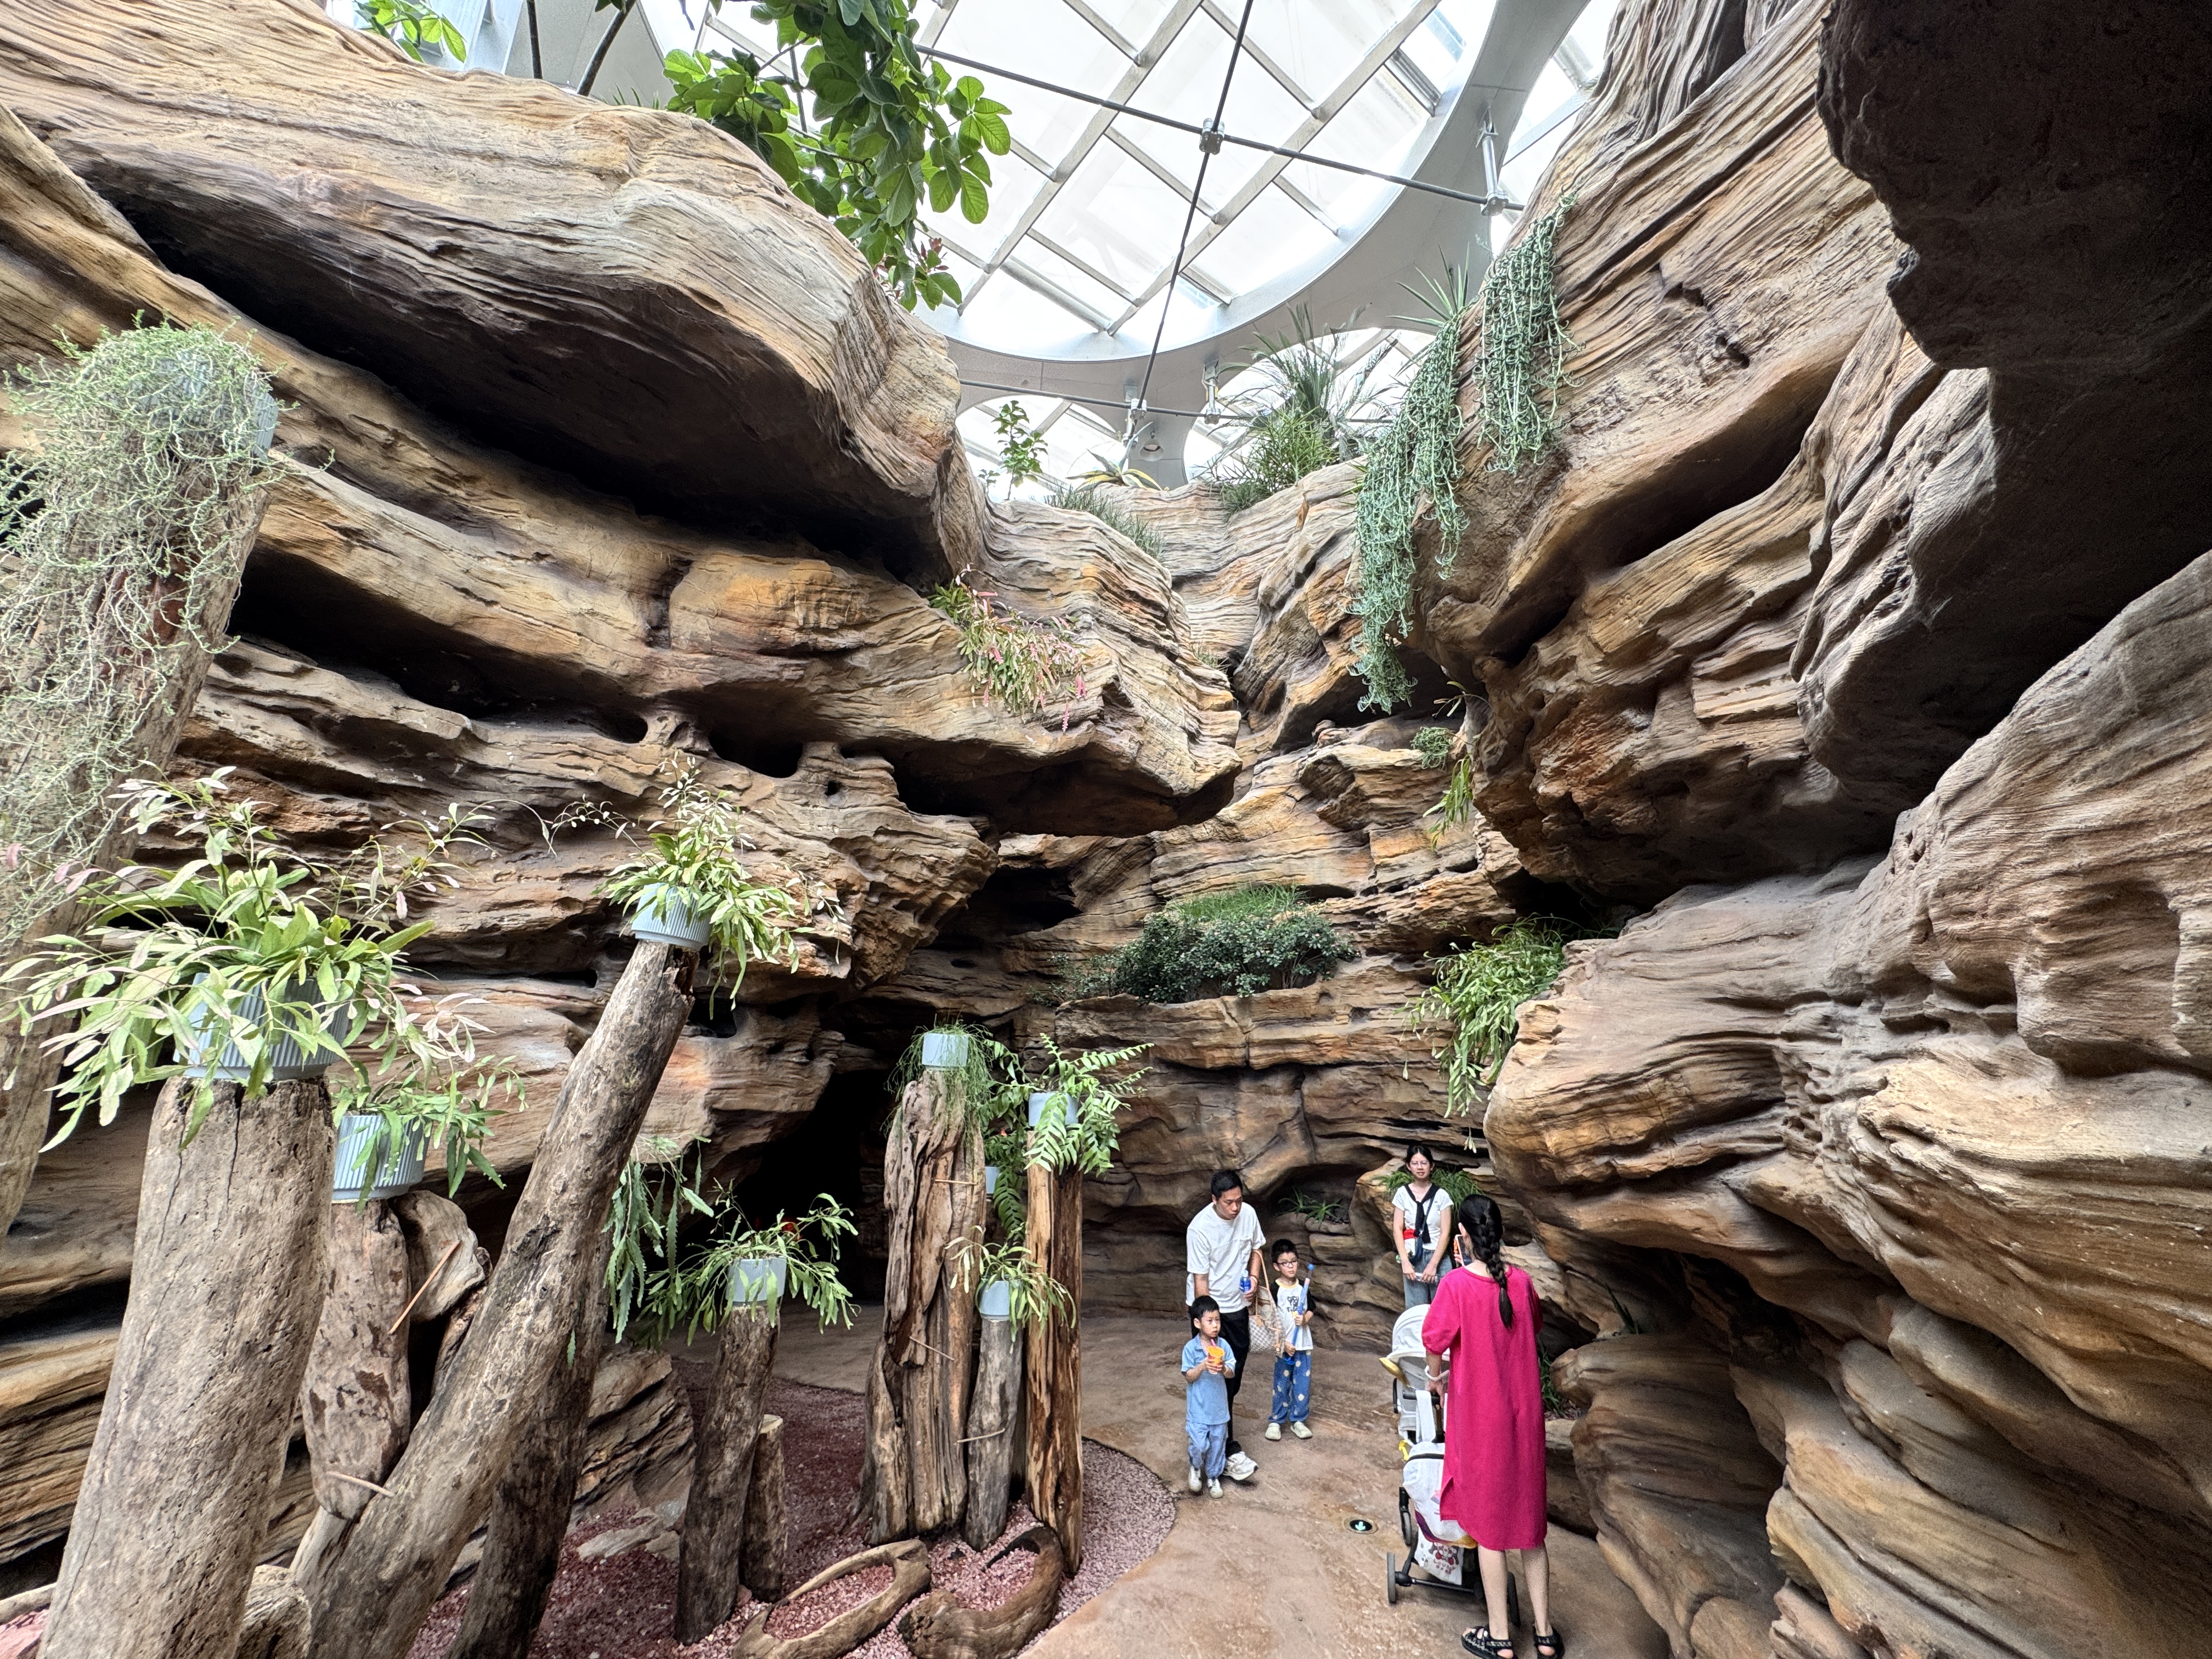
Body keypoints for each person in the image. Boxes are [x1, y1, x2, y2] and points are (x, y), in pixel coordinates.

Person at [1421, 1194, 1559, 1659]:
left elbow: (1435, 1342)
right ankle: (1545, 1636)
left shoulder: (1456, 1285)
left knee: (1490, 1530)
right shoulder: (1521, 1282)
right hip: (1525, 1420)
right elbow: (1529, 1327)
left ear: (1462, 1235)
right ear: (1499, 1234)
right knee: (1530, 1527)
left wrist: (1435, 1378)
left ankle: (1500, 1638)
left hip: (1482, 1423)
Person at [1186, 1168, 1266, 1481]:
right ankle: (1225, 1448)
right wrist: (1207, 1328)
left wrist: (1254, 1278)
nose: (1235, 1208)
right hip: (1211, 1309)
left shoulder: (1249, 1214)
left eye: (1239, 1200)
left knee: (1232, 1374)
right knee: (1211, 1378)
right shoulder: (1200, 1228)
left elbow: (1256, 1249)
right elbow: (1201, 1282)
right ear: (1214, 1200)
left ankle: (1219, 1436)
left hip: (1238, 1308)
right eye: (1228, 1203)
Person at [1181, 1295, 1235, 1498]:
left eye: (1218, 1320)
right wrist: (1203, 1365)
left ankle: (1213, 1476)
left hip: (1219, 1411)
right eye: (1210, 1321)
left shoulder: (1224, 1346)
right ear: (1198, 1323)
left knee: (1217, 1445)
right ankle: (1195, 1467)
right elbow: (1189, 1376)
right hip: (1198, 1410)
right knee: (1198, 1444)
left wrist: (1223, 1369)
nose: (1215, 1325)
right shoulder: (1191, 1348)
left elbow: (1232, 1372)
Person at [1262, 1239, 1314, 1441]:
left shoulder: (1303, 1287)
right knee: (1282, 1384)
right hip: (1284, 1346)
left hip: (1303, 1345)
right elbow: (1269, 1320)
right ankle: (1276, 1420)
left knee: (1302, 1385)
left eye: (1294, 1261)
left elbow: (1312, 1308)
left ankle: (1298, 1420)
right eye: (1285, 1263)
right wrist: (1283, 1343)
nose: (1291, 1266)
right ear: (1277, 1266)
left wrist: (1305, 1319)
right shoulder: (1274, 1290)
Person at [1392, 1144, 1452, 1307]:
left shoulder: (1441, 1196)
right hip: (1414, 1256)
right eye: (1415, 1163)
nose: (1420, 1167)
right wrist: (1405, 1262)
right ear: (1409, 1166)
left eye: (1424, 1163)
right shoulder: (1403, 1194)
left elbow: (1445, 1233)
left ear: (1431, 1166)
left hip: (1438, 1256)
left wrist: (1433, 1265)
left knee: (1444, 1308)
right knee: (1416, 1310)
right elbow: (1398, 1228)